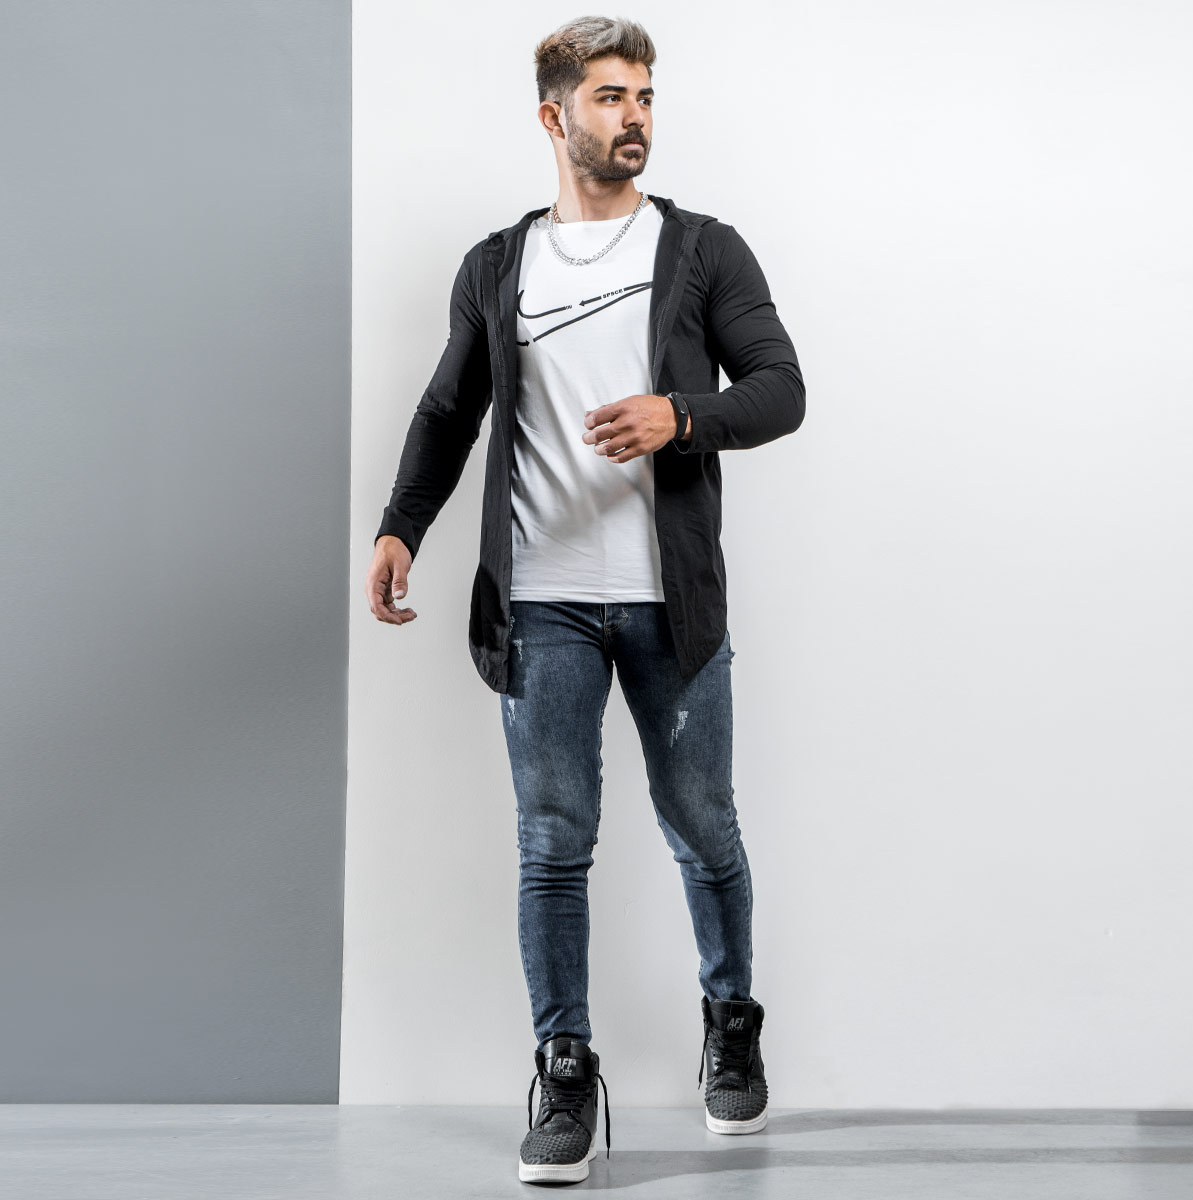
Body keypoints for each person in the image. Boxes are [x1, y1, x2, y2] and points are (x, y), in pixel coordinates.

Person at [365, 15, 805, 1186]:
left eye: (646, 96)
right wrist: (402, 524)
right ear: (554, 117)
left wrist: (682, 415)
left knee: (702, 826)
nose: (636, 117)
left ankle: (731, 1023)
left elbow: (780, 388)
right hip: (543, 602)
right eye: (611, 97)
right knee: (553, 842)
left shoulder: (703, 252)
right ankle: (564, 1069)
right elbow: (448, 410)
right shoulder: (497, 266)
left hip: (672, 604)